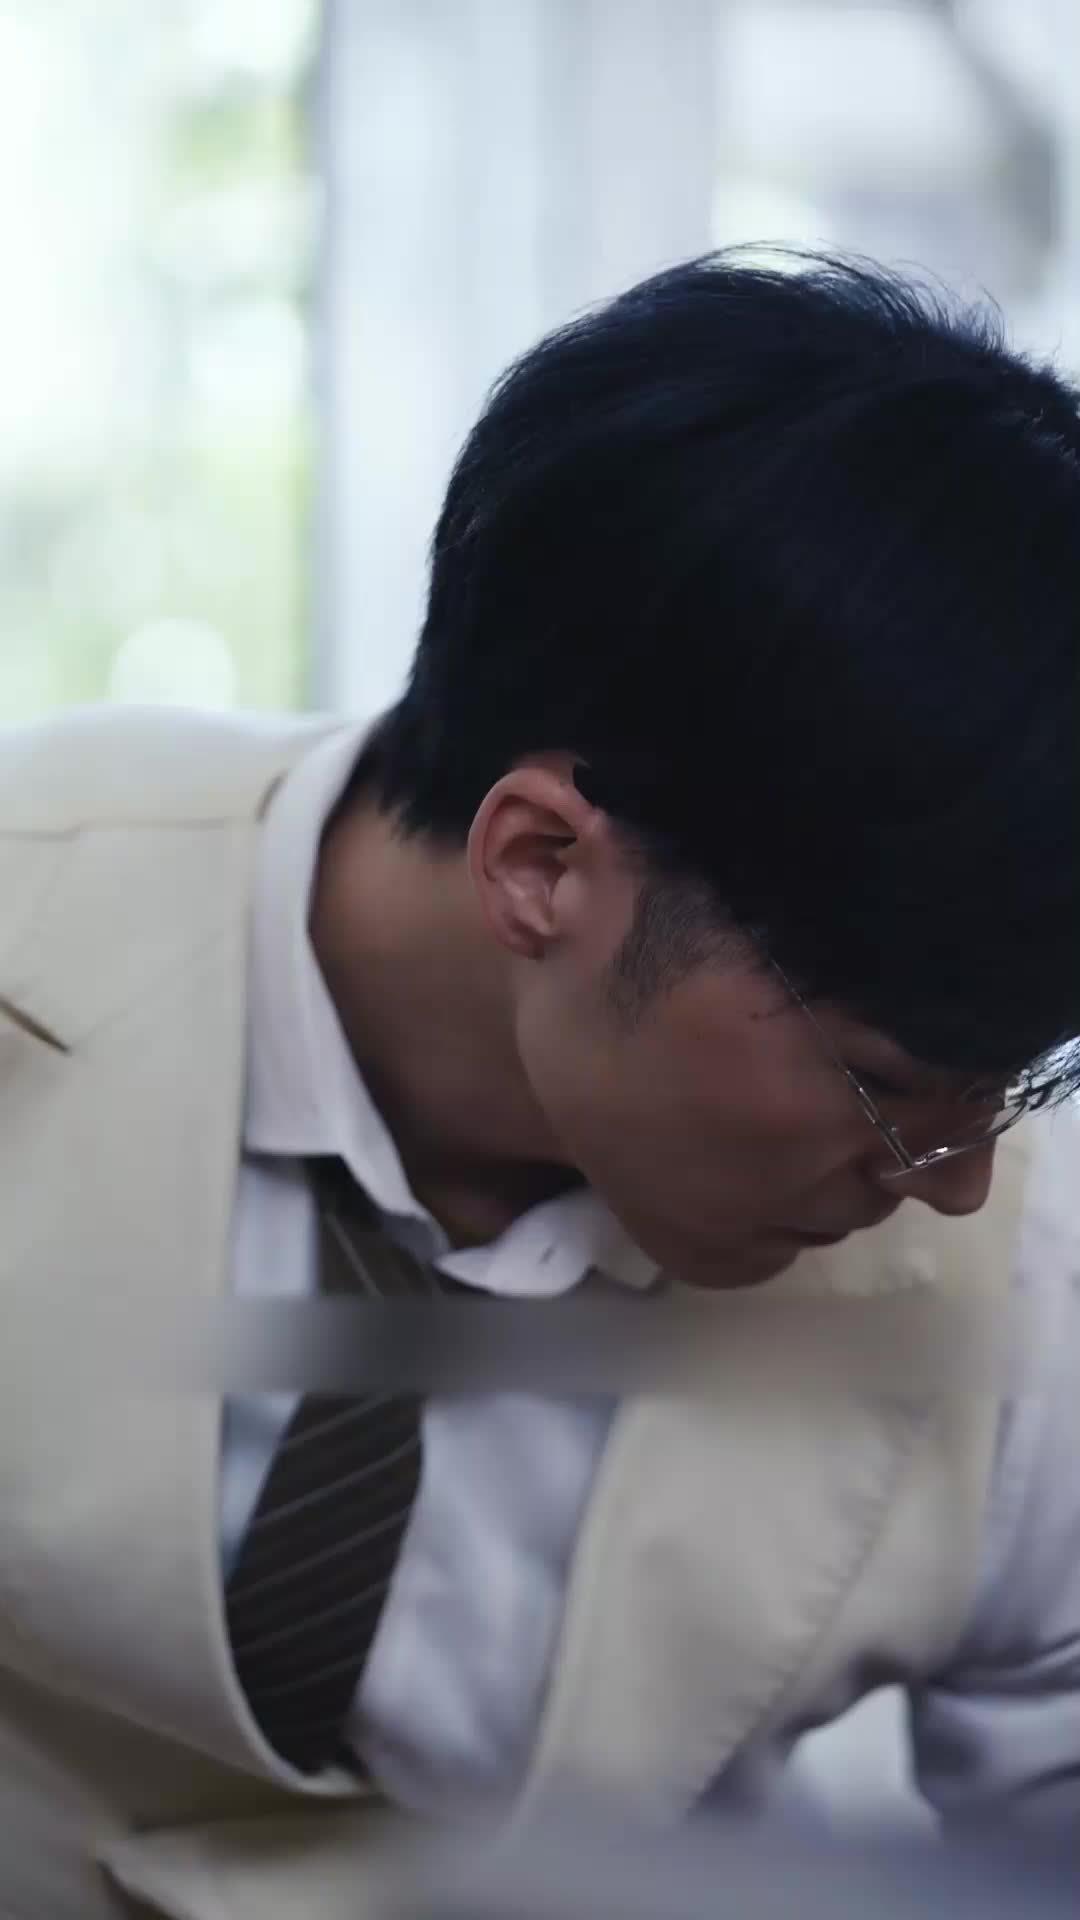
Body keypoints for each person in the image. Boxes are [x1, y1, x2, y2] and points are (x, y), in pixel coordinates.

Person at [1, 250, 1080, 1920]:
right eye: (888, 1085)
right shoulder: (30, 927)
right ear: (541, 864)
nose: (953, 1182)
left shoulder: (1026, 1293)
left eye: (1008, 1090)